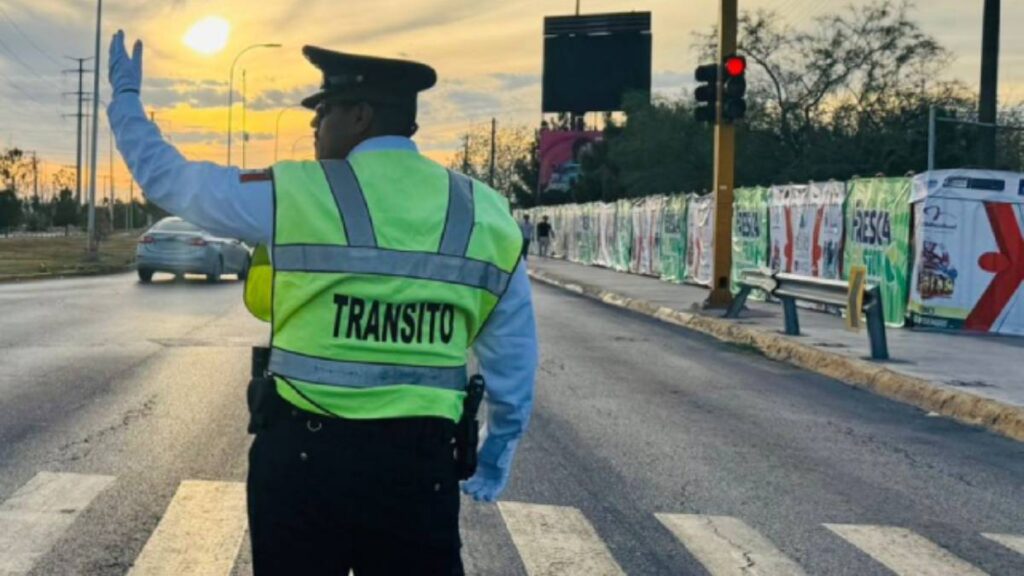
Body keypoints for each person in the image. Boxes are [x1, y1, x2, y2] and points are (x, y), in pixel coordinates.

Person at [107, 31, 537, 576]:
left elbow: (169, 179)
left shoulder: (294, 192)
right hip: (418, 472)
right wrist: (495, 455)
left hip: (304, 466)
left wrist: (124, 99)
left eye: (324, 109)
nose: (313, 124)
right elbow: (514, 362)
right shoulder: (488, 213)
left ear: (360, 116)